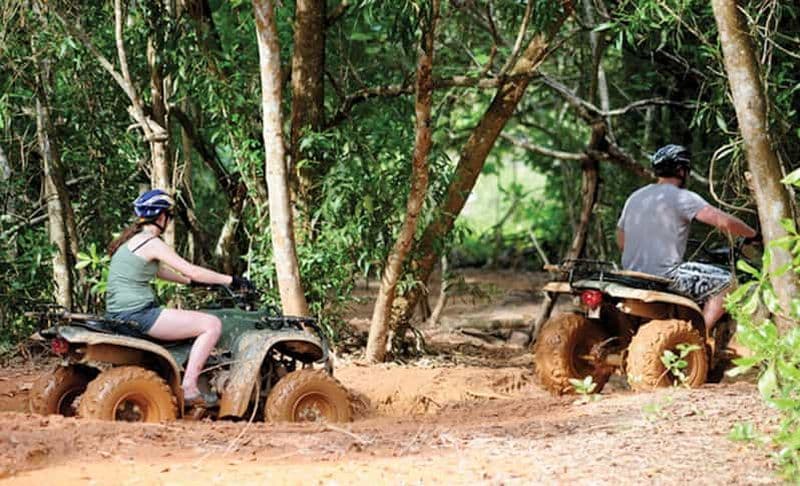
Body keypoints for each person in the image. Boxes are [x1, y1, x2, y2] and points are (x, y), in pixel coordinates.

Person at [105, 189, 253, 407]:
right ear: (161, 217)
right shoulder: (151, 243)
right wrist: (232, 280)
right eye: (169, 216)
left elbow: (158, 271)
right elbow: (191, 269)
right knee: (211, 324)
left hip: (118, 314)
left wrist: (189, 282)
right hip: (140, 314)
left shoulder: (131, 243)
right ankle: (189, 387)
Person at [616, 144, 757, 330]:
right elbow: (723, 221)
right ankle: (700, 336)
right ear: (681, 170)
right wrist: (753, 234)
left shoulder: (635, 197)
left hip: (631, 274)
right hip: (665, 276)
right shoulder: (682, 197)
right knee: (727, 283)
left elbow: (621, 240)